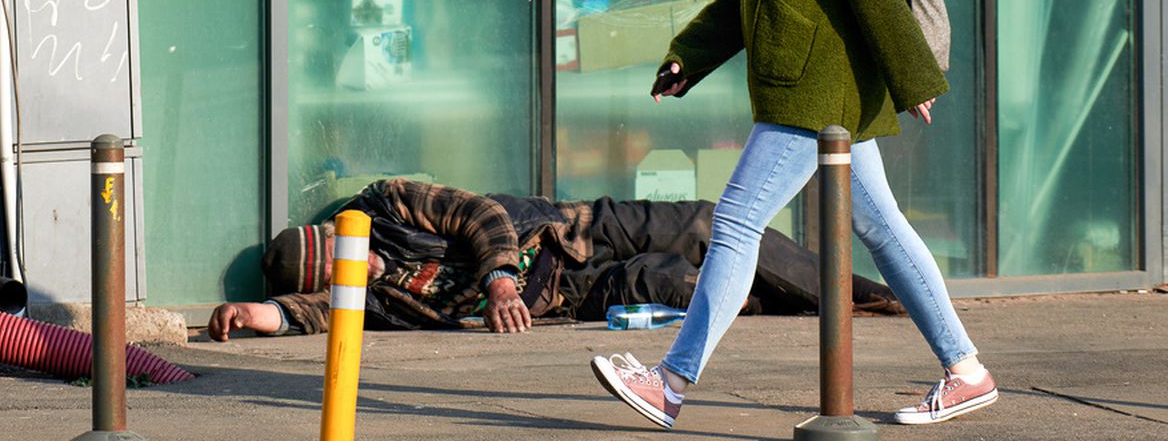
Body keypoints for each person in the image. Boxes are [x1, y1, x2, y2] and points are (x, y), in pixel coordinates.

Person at [588, 0, 998, 429]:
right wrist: (693, 54)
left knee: (739, 222)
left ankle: (671, 381)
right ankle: (966, 369)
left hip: (814, 85)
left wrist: (915, 75)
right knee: (882, 226)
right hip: (815, 78)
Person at [208, 177, 902, 341]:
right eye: (335, 271)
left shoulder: (385, 204)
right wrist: (253, 315)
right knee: (683, 283)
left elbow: (478, 213)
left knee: (707, 224)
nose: (350, 264)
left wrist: (501, 279)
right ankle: (816, 302)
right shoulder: (369, 298)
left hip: (566, 234)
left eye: (341, 249)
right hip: (567, 294)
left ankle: (864, 295)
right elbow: (307, 318)